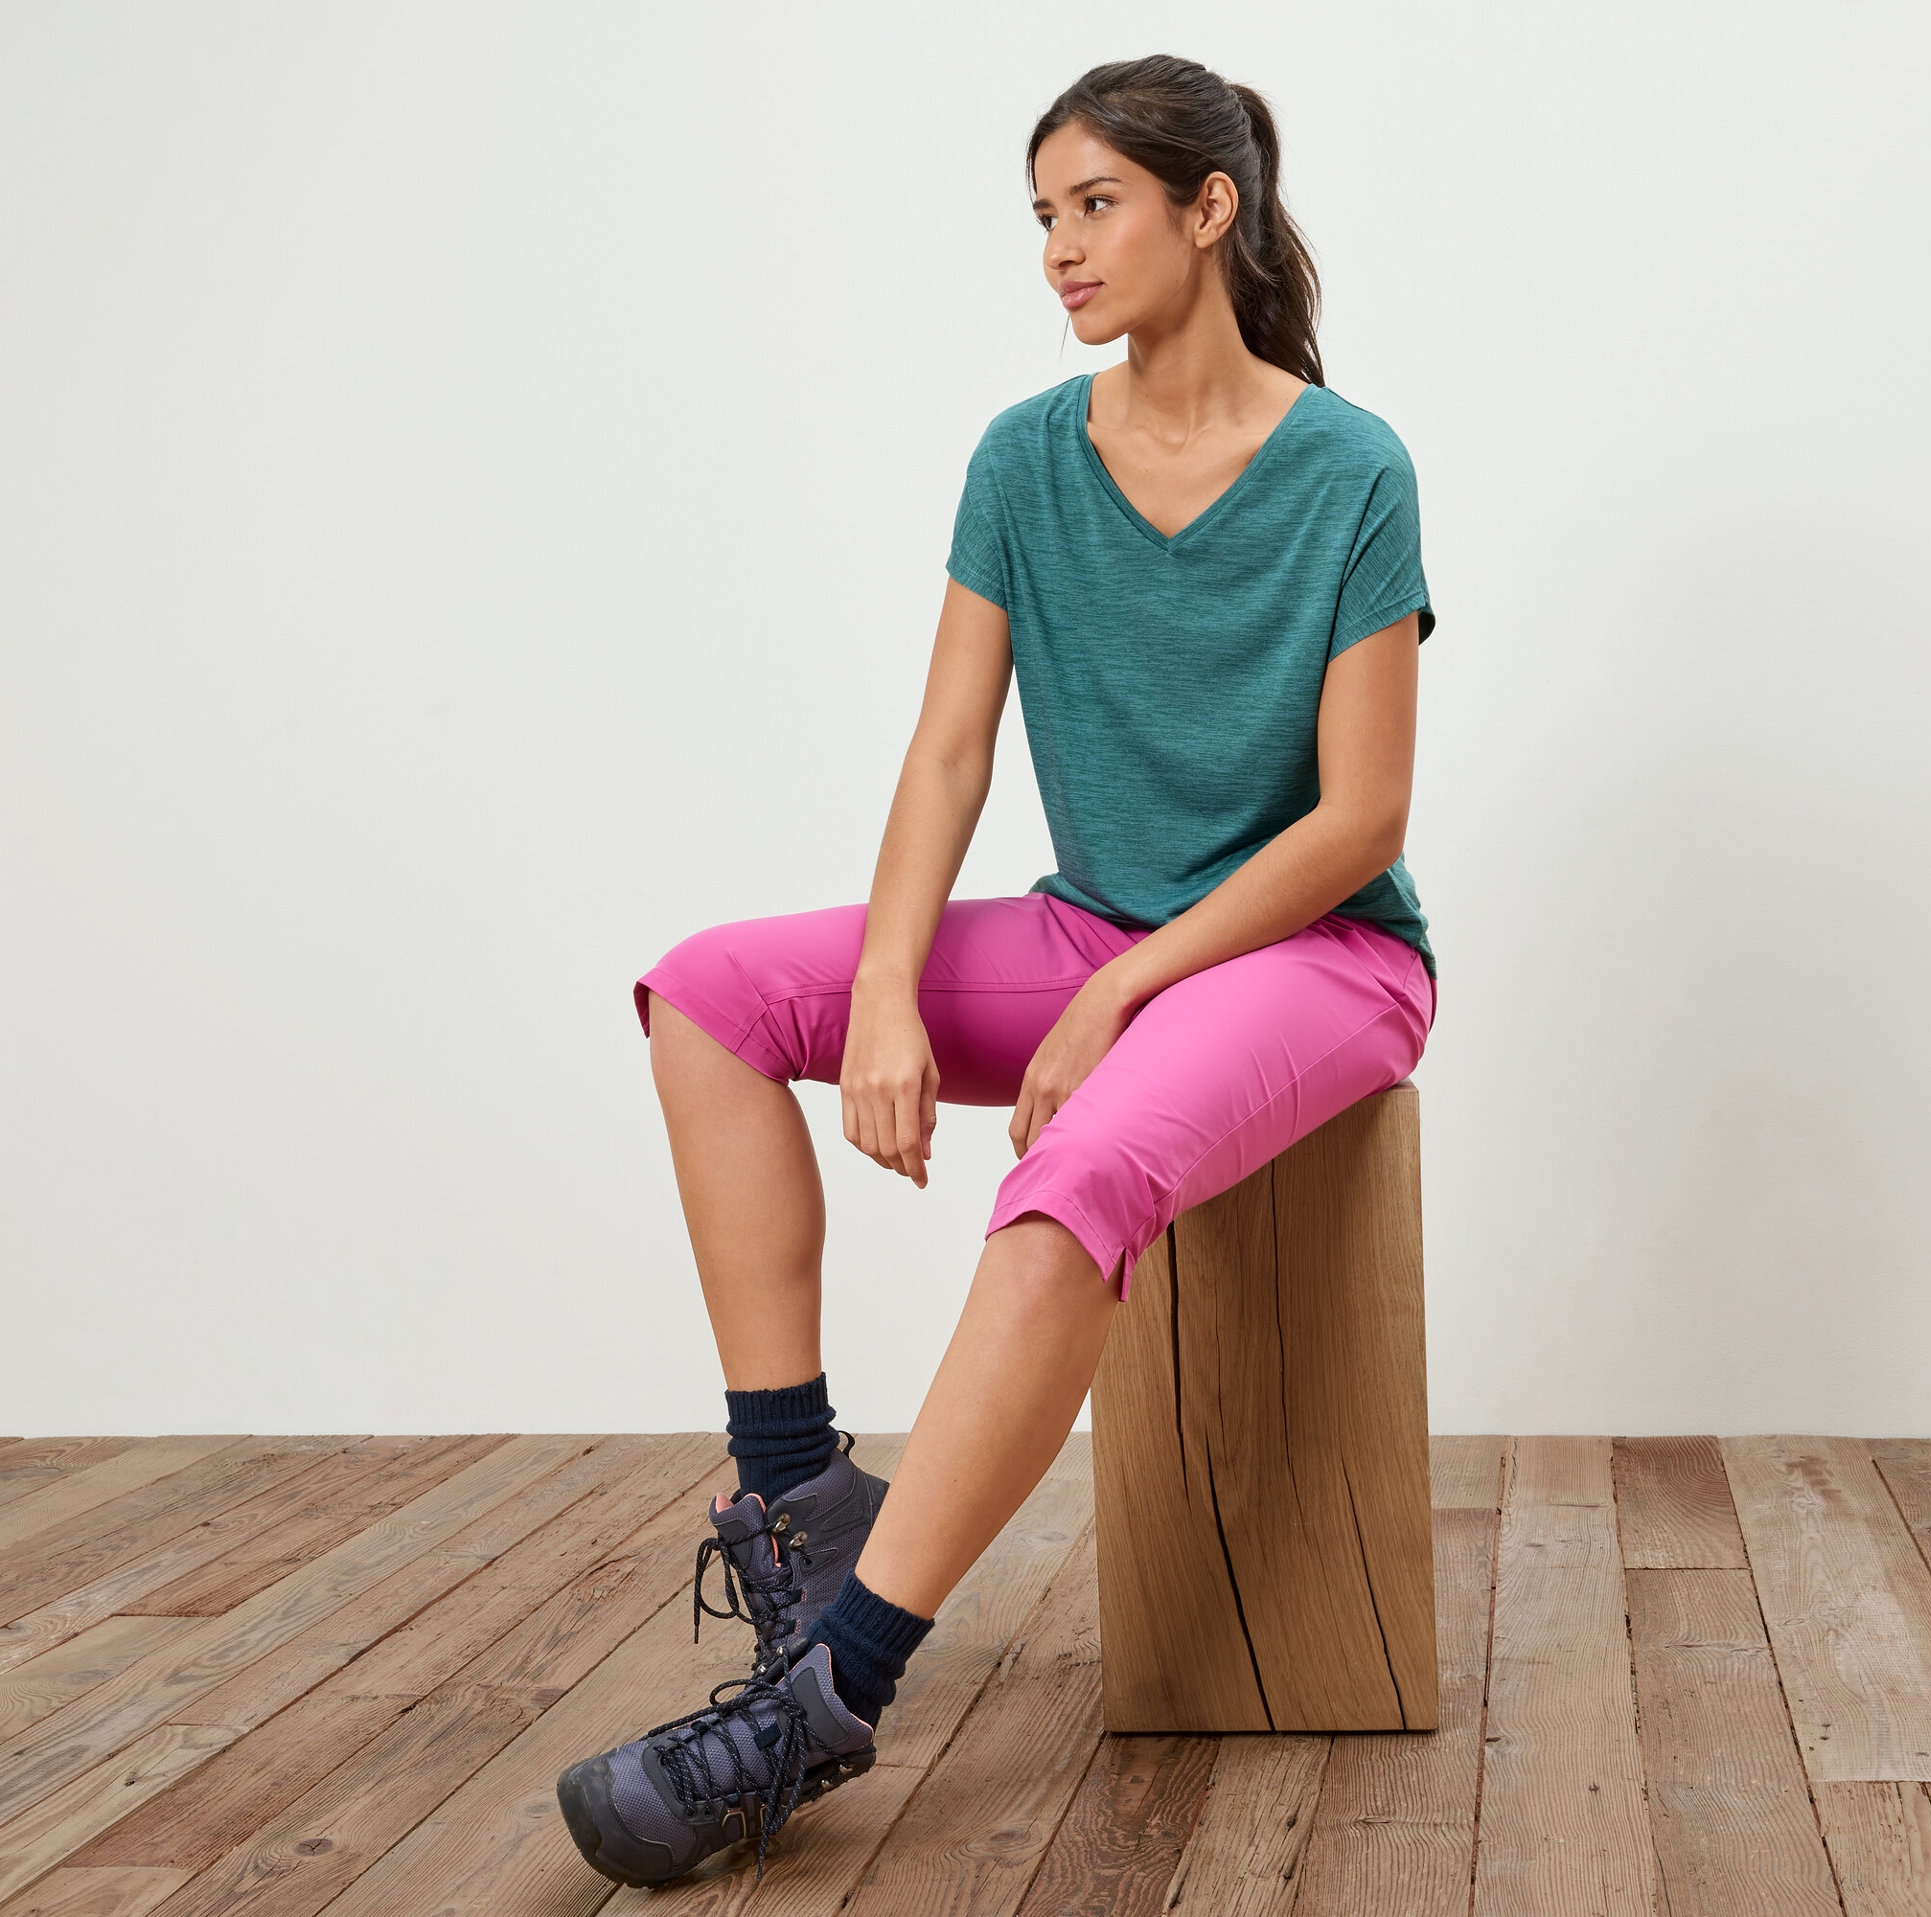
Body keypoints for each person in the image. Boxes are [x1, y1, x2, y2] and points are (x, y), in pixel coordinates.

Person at [557, 52, 1440, 1889]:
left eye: (1096, 203)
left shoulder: (1352, 467)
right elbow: (948, 751)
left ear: (1211, 209)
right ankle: (797, 1493)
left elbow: (1358, 817)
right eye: (1042, 214)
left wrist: (1122, 995)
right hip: (1090, 930)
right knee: (709, 990)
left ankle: (819, 1710)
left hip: (1317, 955)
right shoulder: (1025, 457)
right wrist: (884, 990)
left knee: (1081, 1171)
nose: (1058, 247)